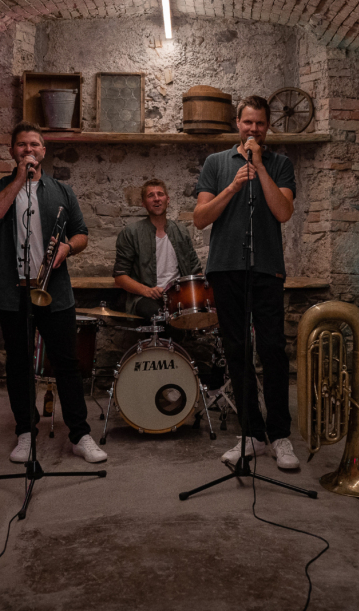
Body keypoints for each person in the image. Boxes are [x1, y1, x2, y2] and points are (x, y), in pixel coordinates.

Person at [0, 121, 106, 464]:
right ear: (12, 151)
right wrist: (19, 180)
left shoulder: (62, 191)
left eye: (34, 144)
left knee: (67, 363)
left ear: (44, 151)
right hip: (14, 293)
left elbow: (81, 233)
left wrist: (68, 247)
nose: (29, 149)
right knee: (19, 365)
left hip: (54, 290)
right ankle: (25, 432)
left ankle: (80, 434)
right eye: (22, 145)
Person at [193, 95, 300, 470]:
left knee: (273, 351)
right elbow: (200, 218)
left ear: (267, 127)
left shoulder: (281, 164)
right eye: (248, 122)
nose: (254, 129)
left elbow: (283, 212)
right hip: (225, 268)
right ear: (237, 124)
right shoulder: (216, 163)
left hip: (267, 269)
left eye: (260, 124)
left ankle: (280, 435)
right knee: (237, 353)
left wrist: (260, 168)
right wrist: (233, 187)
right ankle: (252, 434)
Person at [112, 179, 202, 320]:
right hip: (145, 298)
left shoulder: (181, 231)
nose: (156, 199)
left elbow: (196, 270)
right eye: (150, 196)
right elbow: (120, 276)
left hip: (179, 295)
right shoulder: (131, 233)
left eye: (160, 194)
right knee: (159, 316)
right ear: (143, 203)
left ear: (167, 200)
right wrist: (147, 291)